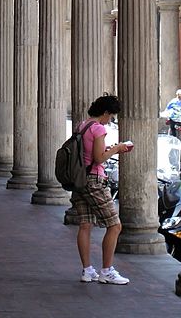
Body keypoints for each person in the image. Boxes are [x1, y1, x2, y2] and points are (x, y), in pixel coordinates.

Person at [71, 94, 131, 285]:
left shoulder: (82, 125)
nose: (110, 120)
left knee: (85, 225)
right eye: (111, 116)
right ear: (105, 113)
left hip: (80, 179)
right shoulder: (98, 129)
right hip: (95, 180)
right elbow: (99, 158)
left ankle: (87, 270)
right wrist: (117, 148)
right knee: (115, 225)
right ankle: (106, 270)